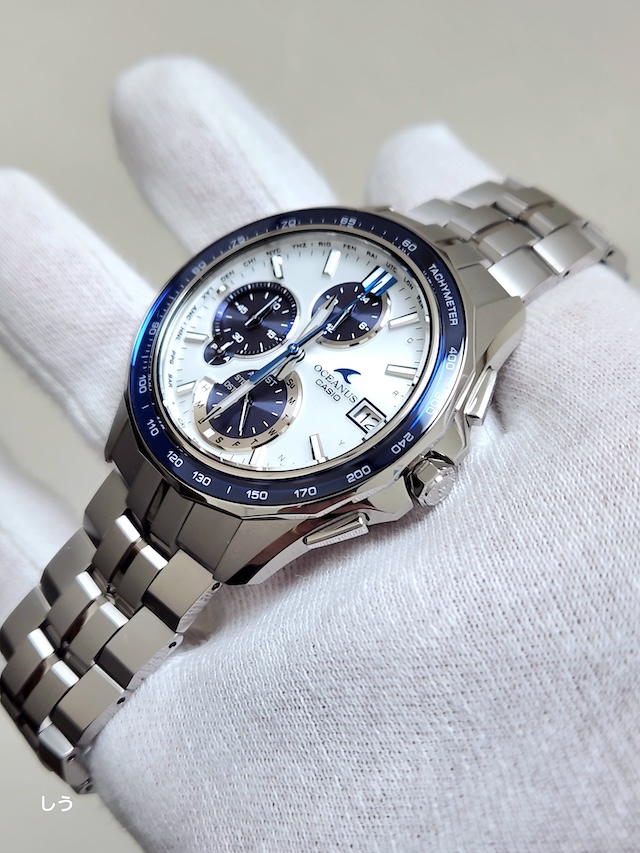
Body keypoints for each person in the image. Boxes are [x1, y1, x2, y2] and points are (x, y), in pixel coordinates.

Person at [0, 57, 638, 852]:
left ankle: (58, 696)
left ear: (427, 467)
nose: (298, 347)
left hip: (261, 494)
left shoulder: (426, 424)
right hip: (184, 430)